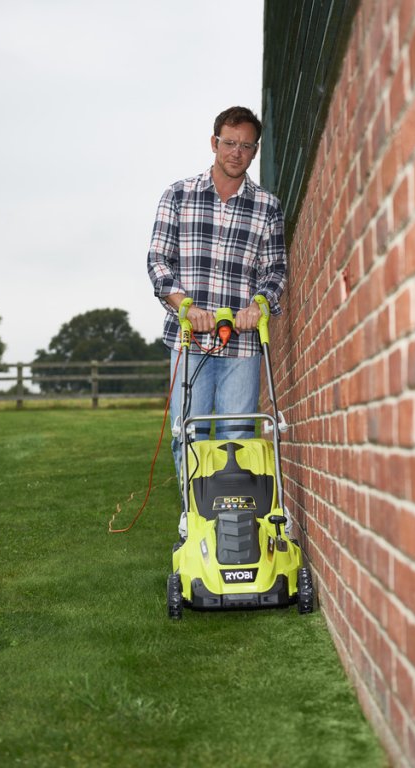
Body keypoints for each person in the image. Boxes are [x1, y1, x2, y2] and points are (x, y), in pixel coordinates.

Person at [146, 106, 287, 539]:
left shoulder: (267, 207)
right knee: (186, 434)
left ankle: (233, 526)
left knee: (236, 436)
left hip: (241, 348)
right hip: (190, 342)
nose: (236, 152)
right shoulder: (178, 195)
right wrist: (186, 307)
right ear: (214, 143)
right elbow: (158, 262)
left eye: (246, 146)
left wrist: (259, 305)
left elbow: (274, 271)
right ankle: (195, 521)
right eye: (229, 143)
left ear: (255, 151)